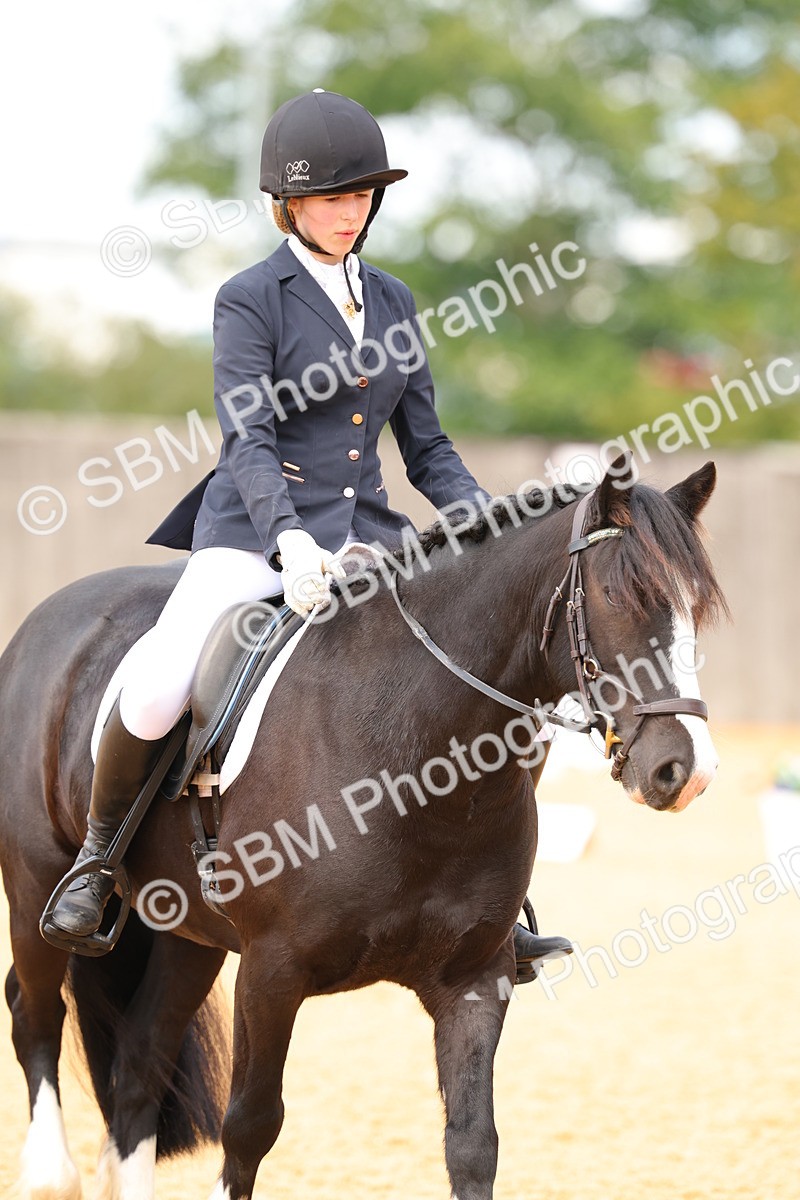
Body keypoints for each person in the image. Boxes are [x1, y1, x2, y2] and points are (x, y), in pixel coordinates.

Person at [48, 89, 571, 974]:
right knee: (157, 684)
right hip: (254, 535)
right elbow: (248, 437)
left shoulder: (396, 301)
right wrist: (288, 542)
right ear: (288, 204)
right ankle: (99, 863)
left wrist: (480, 525)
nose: (350, 211)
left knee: (483, 669)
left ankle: (495, 900)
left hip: (372, 534)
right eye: (333, 197)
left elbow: (429, 446)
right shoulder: (250, 298)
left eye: (363, 195)